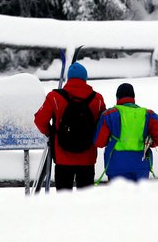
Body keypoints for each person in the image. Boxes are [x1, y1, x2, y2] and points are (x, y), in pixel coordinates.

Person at [33, 62, 106, 190]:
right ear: (85, 78)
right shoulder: (97, 99)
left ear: (69, 78)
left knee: (63, 200)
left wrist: (50, 132)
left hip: (62, 158)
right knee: (85, 200)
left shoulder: (54, 97)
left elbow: (39, 120)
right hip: (87, 159)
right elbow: (103, 125)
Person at [94, 82, 158, 182]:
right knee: (139, 197)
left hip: (116, 166)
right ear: (133, 98)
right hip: (141, 166)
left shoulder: (109, 114)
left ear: (117, 98)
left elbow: (99, 142)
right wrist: (150, 142)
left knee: (120, 197)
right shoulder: (147, 114)